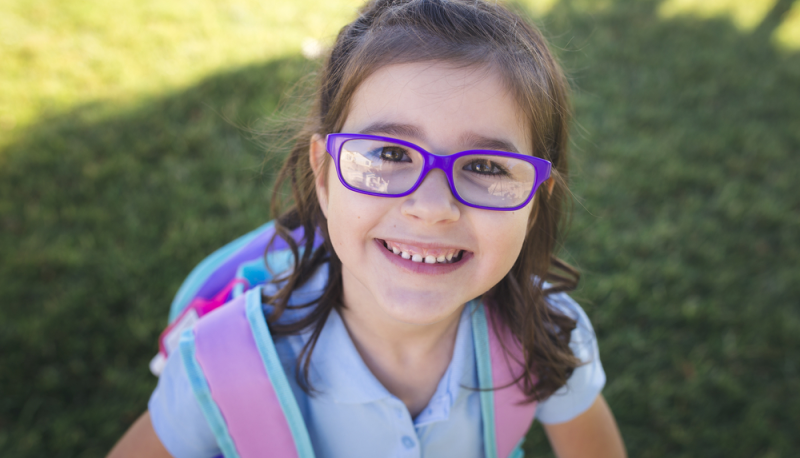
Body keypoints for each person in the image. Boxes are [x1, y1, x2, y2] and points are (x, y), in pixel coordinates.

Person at [108, 0, 627, 456]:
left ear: (534, 202)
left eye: (488, 166)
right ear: (325, 176)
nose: (432, 207)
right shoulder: (222, 369)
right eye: (390, 153)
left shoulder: (549, 336)